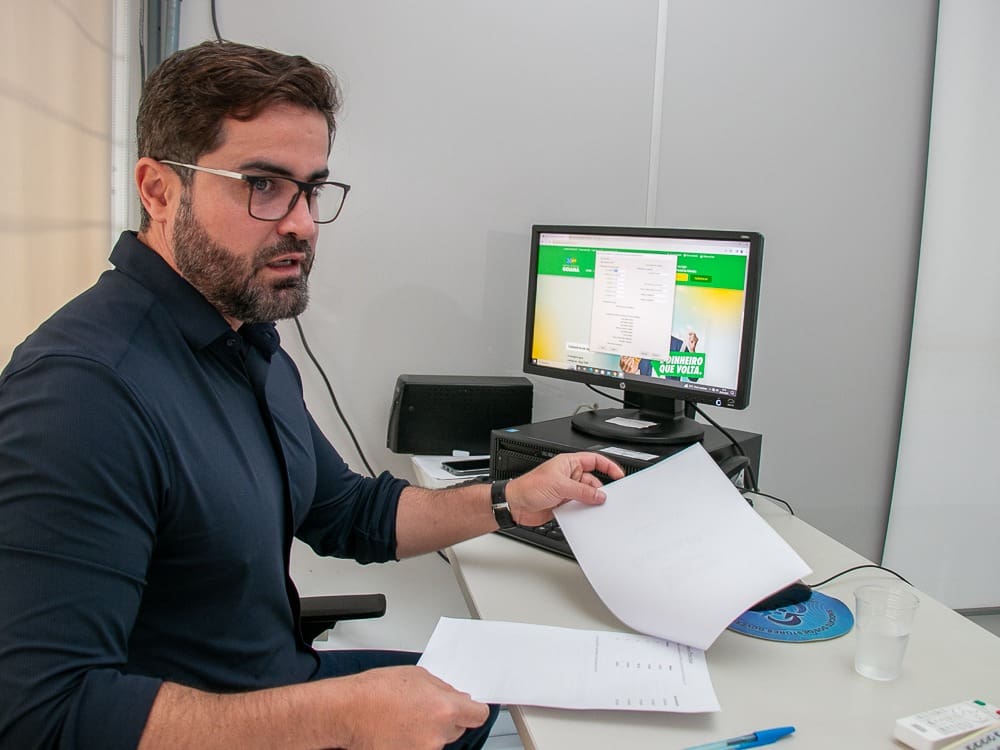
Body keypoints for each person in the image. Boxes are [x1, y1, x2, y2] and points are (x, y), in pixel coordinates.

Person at [0, 41, 625, 750]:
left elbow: (345, 513)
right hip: (234, 727)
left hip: (278, 684)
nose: (299, 222)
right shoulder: (82, 394)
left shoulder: (245, 341)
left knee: (527, 708)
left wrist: (514, 499)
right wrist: (340, 715)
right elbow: (44, 718)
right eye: (262, 185)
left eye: (311, 189)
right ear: (159, 190)